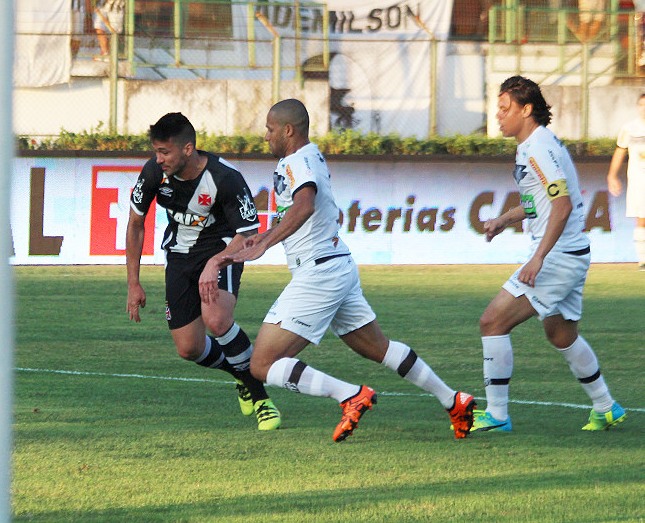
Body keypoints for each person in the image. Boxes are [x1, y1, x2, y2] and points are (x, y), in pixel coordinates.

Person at [220, 99, 475, 442]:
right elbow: (295, 211)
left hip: (319, 272)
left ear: (288, 130)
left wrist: (264, 244)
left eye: (269, 129)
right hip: (336, 265)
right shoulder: (306, 157)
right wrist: (264, 238)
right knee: (378, 348)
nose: (265, 136)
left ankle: (349, 395)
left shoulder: (297, 160)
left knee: (262, 364)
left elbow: (305, 204)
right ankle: (453, 400)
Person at [472, 75, 626, 433]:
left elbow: (562, 205)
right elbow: (539, 203)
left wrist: (538, 257)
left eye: (504, 108)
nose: (498, 115)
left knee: (492, 321)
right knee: (560, 334)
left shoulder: (538, 147)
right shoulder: (531, 146)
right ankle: (606, 406)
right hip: (571, 253)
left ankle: (496, 415)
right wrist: (503, 219)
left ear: (526, 110)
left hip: (557, 258)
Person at [126, 112, 281, 431]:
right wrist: (133, 283)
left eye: (164, 151)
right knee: (189, 348)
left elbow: (248, 234)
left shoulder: (225, 177)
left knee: (217, 319)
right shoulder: (155, 171)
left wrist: (216, 262)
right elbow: (135, 224)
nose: (158, 158)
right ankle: (240, 375)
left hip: (222, 251)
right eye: (156, 151)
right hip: (180, 257)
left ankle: (261, 398)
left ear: (187, 148)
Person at [607, 93, 645, 271]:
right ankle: (643, 260)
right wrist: (612, 175)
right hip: (638, 182)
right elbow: (620, 151)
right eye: (641, 105)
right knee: (641, 219)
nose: (643, 108)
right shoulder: (629, 128)